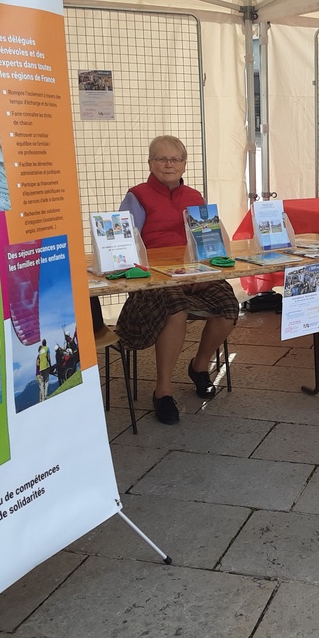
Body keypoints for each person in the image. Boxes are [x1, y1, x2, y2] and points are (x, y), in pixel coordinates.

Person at [112, 134, 238, 425]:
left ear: (184, 164)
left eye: (175, 159)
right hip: (154, 280)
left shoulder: (195, 197)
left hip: (193, 274)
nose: (169, 164)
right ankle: (163, 391)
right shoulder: (137, 196)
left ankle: (199, 366)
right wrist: (161, 275)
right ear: (150, 163)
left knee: (229, 306)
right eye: (161, 158)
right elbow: (123, 245)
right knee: (176, 310)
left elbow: (210, 242)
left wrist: (203, 273)